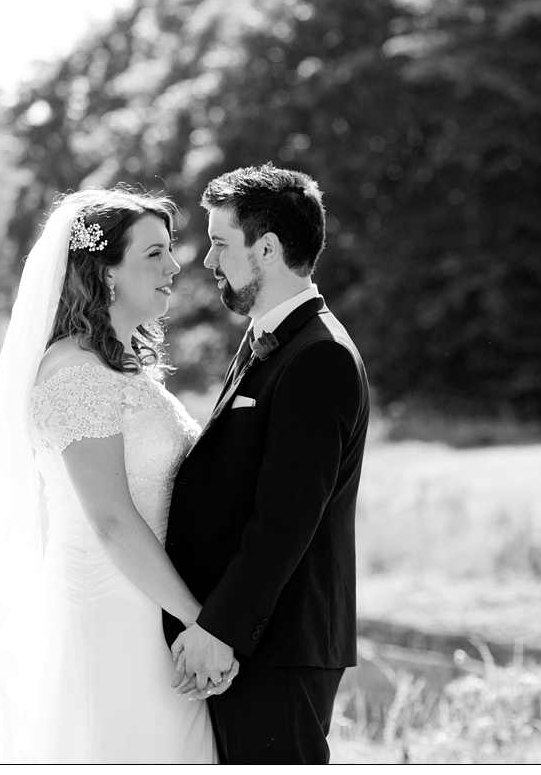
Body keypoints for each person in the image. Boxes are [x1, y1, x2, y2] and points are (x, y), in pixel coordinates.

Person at [0, 189, 224, 763]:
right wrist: (203, 622)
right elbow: (112, 520)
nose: (174, 267)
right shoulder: (74, 377)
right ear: (105, 273)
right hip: (115, 616)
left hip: (152, 605)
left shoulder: (117, 371)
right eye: (154, 254)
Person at [164, 166, 370, 764]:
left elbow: (284, 522)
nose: (207, 260)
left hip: (277, 645)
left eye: (221, 243)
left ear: (268, 249)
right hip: (259, 642)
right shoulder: (273, 338)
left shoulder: (319, 357)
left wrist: (220, 630)